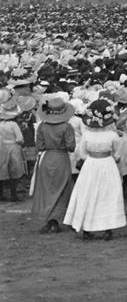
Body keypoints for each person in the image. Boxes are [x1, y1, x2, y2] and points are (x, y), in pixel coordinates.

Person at [63, 99, 127, 240]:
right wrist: (112, 158)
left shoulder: (87, 135)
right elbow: (117, 154)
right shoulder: (113, 135)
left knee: (88, 194)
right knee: (108, 194)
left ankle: (87, 227)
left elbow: (82, 154)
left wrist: (91, 159)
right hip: (107, 164)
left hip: (91, 165)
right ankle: (107, 227)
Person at [31, 96, 76, 234]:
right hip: (61, 158)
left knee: (46, 190)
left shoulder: (42, 127)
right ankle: (57, 220)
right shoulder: (67, 127)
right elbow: (71, 147)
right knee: (62, 189)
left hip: (47, 158)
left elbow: (40, 146)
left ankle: (49, 220)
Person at [0, 100, 26, 201]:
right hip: (13, 148)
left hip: (1, 148)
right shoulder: (13, 124)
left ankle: (1, 193)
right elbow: (19, 139)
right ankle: (13, 194)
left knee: (2, 169)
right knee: (14, 172)